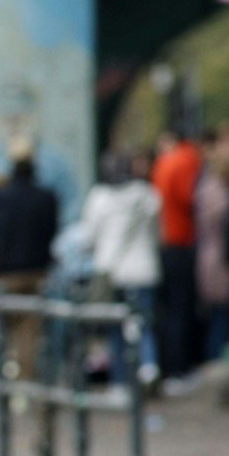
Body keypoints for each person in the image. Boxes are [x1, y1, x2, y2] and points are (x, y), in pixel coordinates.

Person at [0, 136, 59, 382]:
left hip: (7, 273)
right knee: (29, 334)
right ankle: (26, 381)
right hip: (36, 272)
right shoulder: (45, 196)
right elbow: (52, 229)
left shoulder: (0, 197)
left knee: (3, 333)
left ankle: (6, 382)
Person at [79, 150, 161, 387]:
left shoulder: (99, 197)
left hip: (112, 270)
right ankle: (148, 366)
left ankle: (121, 379)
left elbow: (88, 236)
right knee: (143, 323)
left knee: (116, 328)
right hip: (144, 268)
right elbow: (156, 232)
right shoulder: (146, 195)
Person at [151, 128, 203, 379]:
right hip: (181, 240)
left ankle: (171, 366)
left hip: (167, 241)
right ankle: (180, 367)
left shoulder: (165, 162)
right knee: (182, 309)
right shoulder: (187, 161)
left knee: (170, 310)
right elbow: (189, 199)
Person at [196, 132, 229, 359]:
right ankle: (217, 361)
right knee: (223, 318)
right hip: (221, 261)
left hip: (208, 257)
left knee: (217, 317)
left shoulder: (205, 189)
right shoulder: (223, 194)